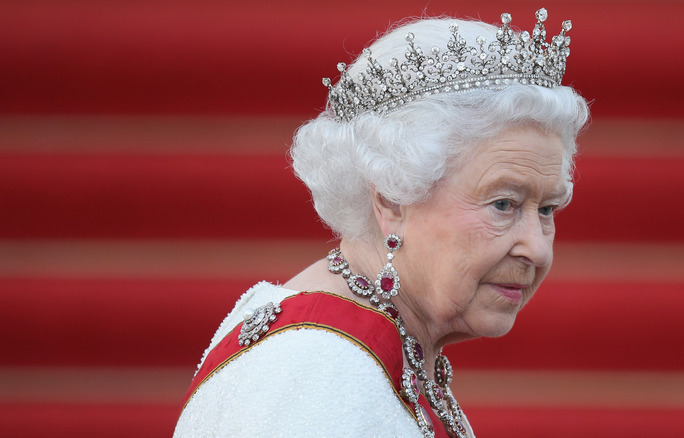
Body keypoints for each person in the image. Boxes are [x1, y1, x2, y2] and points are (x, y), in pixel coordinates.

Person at [175, 8, 589, 437]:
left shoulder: (373, 349)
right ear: (392, 197)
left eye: (547, 210)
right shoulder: (317, 373)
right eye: (504, 204)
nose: (537, 249)